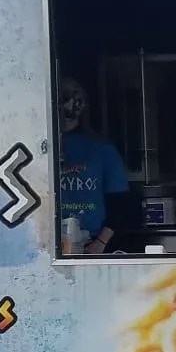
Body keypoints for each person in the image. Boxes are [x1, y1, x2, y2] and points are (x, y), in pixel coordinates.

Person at [57, 77, 131, 255]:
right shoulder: (43, 149)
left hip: (92, 242)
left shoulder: (102, 150)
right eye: (64, 97)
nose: (71, 103)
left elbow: (120, 204)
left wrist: (101, 242)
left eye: (76, 97)